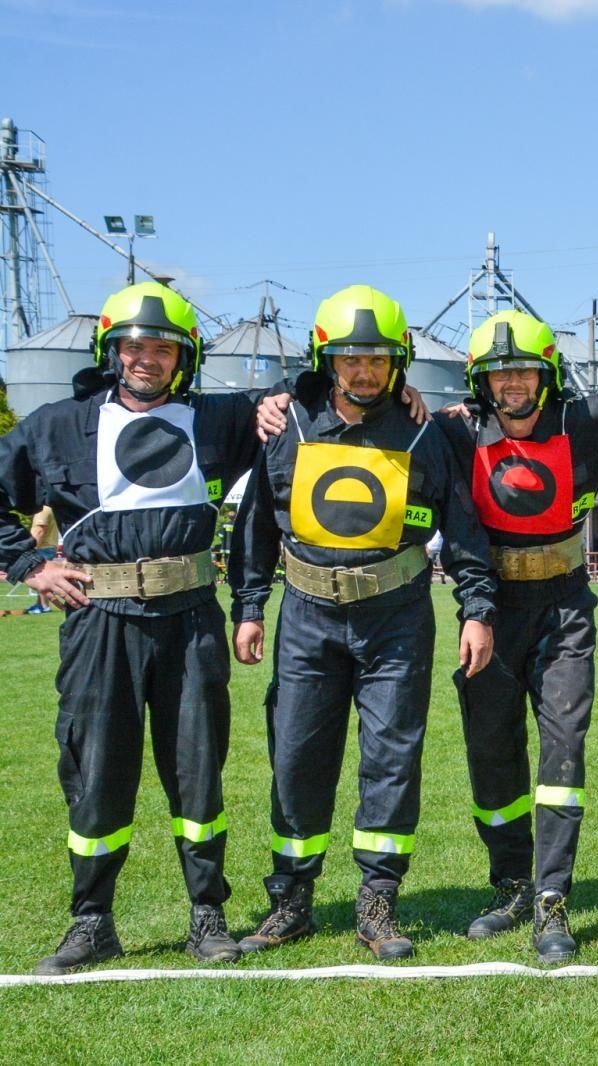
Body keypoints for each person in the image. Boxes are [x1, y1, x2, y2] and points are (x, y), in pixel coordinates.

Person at [229, 284, 497, 961]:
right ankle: (291, 898)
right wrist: (251, 605)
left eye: (378, 358)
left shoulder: (422, 431)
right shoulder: (286, 423)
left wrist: (477, 610)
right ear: (328, 359)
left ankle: (379, 901)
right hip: (307, 620)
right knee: (296, 758)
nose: (364, 371)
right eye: (350, 357)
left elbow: (460, 528)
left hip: (397, 622)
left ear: (397, 362)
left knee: (391, 761)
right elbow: (258, 523)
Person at [0, 282, 261, 974]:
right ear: (112, 352)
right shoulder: (59, 425)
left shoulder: (220, 419)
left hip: (190, 622)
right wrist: (30, 563)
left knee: (197, 772)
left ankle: (208, 915)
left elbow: (315, 398)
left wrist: (408, 397)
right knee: (95, 771)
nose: (146, 358)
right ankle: (92, 922)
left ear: (185, 356)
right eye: (133, 346)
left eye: (162, 347)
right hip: (98, 623)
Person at [435, 309, 598, 961]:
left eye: (524, 370)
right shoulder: (455, 435)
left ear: (546, 373)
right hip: (489, 609)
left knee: (562, 751)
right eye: (500, 374)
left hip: (565, 608)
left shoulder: (586, 424)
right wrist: (290, 398)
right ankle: (510, 887)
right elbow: (372, 415)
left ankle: (552, 897)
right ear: (481, 382)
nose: (513, 383)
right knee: (493, 754)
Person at [24, 507, 58, 613]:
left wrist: (31, 548)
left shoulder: (43, 510)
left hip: (43, 547)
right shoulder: (49, 509)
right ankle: (40, 605)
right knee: (40, 578)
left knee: (39, 576)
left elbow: (40, 530)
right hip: (48, 546)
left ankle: (44, 606)